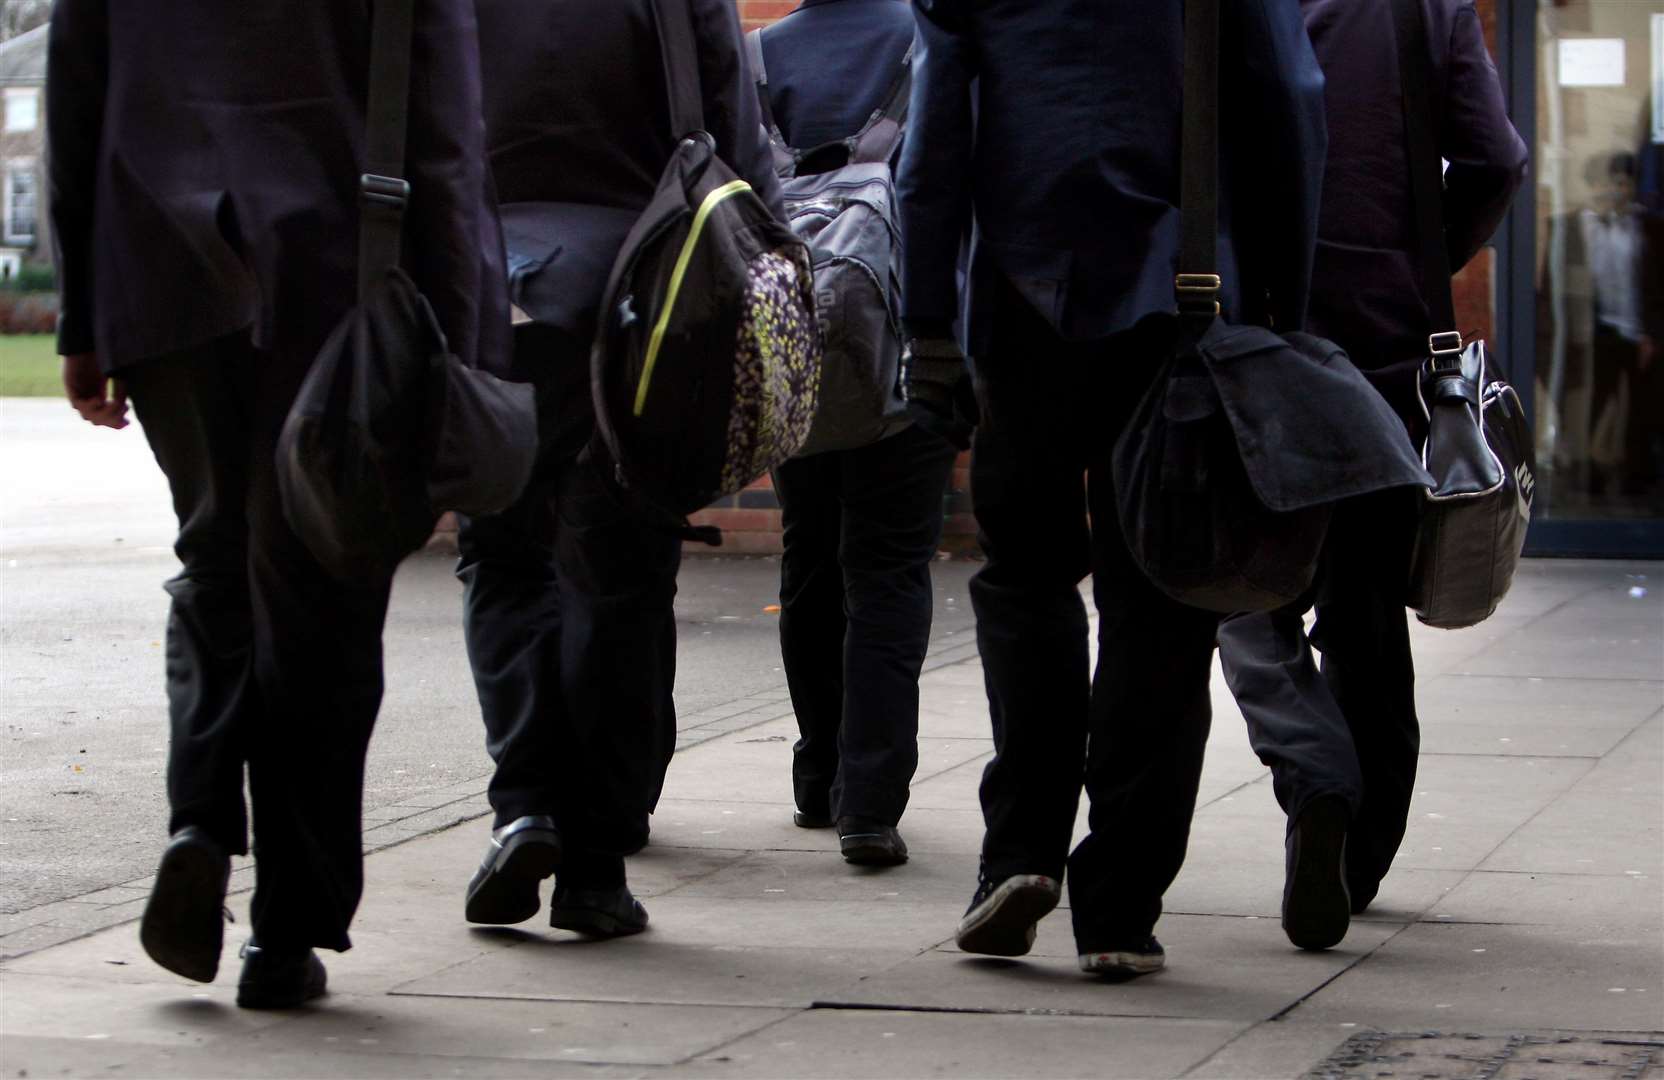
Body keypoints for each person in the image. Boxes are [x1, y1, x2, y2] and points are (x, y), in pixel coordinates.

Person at [46, 0, 505, 1007]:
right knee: (325, 591)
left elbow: (73, 91)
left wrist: (83, 313)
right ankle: (286, 930)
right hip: (339, 269)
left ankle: (200, 820)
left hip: (157, 267)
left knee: (213, 554)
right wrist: (461, 346)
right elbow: (446, 137)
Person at [897, 0, 1326, 976]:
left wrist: (926, 319)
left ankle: (1017, 855)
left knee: (1025, 579)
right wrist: (1284, 309)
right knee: (1161, 600)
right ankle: (1121, 906)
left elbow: (933, 140)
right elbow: (1290, 106)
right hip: (1183, 300)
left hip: (1024, 296)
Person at [458, 0, 783, 936]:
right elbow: (738, 146)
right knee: (623, 577)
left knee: (504, 554)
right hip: (645, 296)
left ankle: (523, 805)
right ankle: (596, 867)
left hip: (492, 292)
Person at [1217, 0, 1527, 951]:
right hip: (1390, 345)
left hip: (1257, 344)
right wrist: (1416, 255)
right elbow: (1496, 159)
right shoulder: (1421, 8)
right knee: (1363, 612)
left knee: (1243, 595)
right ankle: (1363, 852)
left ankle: (1317, 780)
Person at [752, 0, 959, 867]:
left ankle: (815, 775)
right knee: (887, 567)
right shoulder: (932, 42)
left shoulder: (758, 59)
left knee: (810, 553)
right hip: (906, 342)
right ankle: (868, 805)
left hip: (794, 343)